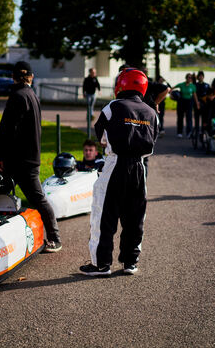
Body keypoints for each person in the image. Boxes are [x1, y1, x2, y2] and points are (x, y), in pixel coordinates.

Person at [80, 68, 158, 276]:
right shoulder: (152, 112)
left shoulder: (112, 107)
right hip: (140, 168)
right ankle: (130, 262)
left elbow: (101, 136)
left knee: (104, 214)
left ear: (121, 84)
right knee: (135, 217)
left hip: (115, 164)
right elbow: (153, 140)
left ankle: (101, 264)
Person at [0, 61, 62, 252]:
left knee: (1, 196)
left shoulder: (16, 96)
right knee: (37, 199)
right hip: (31, 157)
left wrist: (0, 156)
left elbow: (7, 130)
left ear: (13, 77)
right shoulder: (32, 95)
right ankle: (52, 237)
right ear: (31, 77)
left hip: (15, 159)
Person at [173, 73, 198, 138]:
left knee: (189, 118)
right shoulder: (181, 84)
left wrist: (197, 103)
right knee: (180, 118)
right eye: (188, 77)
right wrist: (172, 96)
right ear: (186, 78)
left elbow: (195, 96)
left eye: (190, 78)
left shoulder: (193, 86)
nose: (189, 79)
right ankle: (179, 132)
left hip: (189, 102)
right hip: (181, 102)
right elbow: (171, 88)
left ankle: (189, 132)